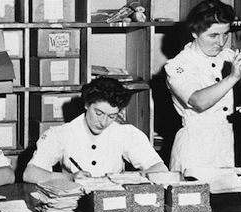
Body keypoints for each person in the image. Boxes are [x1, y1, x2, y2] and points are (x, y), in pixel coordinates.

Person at [164, 0, 241, 173]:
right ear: (195, 32)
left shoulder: (227, 56)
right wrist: (232, 77)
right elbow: (198, 101)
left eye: (225, 34)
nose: (221, 41)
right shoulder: (178, 65)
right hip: (198, 146)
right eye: (213, 35)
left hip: (232, 140)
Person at [23, 76, 168, 184]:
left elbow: (160, 169)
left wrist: (122, 178)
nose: (103, 122)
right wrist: (69, 177)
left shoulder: (126, 133)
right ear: (86, 105)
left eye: (111, 116)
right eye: (98, 113)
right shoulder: (61, 134)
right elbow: (30, 173)